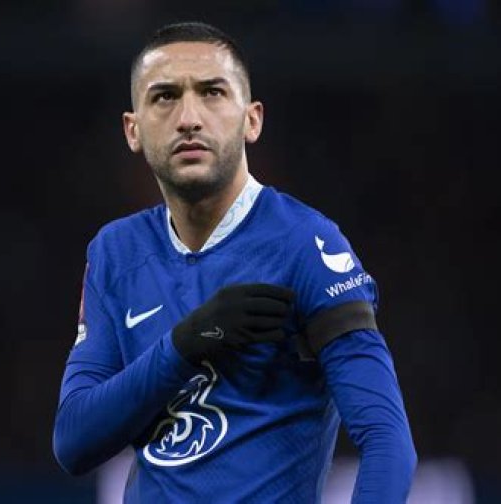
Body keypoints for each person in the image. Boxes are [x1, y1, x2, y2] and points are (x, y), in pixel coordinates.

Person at [53, 21, 417, 503]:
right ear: (133, 130)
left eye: (212, 92)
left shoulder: (306, 245)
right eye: (165, 96)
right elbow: (74, 441)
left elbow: (388, 442)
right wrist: (184, 345)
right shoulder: (115, 252)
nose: (189, 117)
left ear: (252, 120)